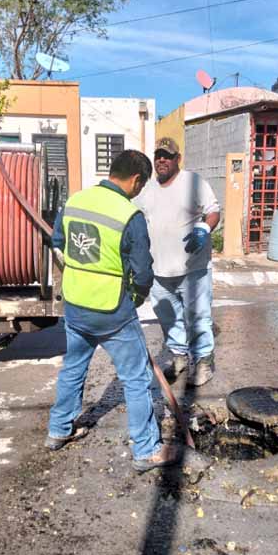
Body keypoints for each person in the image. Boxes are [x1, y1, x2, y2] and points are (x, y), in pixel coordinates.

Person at [47, 149, 179, 472]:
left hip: (75, 306)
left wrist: (80, 274)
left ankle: (58, 430)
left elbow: (58, 243)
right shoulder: (129, 215)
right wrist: (134, 297)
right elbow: (143, 272)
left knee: (73, 367)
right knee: (136, 378)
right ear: (136, 179)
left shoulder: (75, 201)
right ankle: (147, 450)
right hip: (112, 311)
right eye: (141, 185)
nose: (139, 191)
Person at [133, 137, 221, 386]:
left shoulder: (193, 182)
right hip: (159, 271)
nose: (162, 159)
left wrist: (204, 227)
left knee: (198, 317)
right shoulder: (147, 189)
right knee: (168, 318)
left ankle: (204, 361)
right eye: (158, 155)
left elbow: (213, 211)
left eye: (167, 155)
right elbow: (133, 215)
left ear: (177, 159)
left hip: (193, 269)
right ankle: (179, 356)